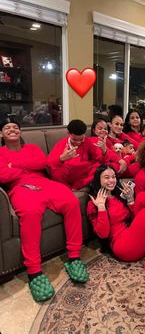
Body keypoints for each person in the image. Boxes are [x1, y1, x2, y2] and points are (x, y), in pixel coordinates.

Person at [0, 119, 88, 302]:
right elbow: (2, 175)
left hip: (45, 183)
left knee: (71, 201)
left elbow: (43, 162)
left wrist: (14, 166)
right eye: (7, 128)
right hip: (20, 188)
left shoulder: (32, 147)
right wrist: (24, 167)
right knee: (31, 213)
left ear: (21, 132)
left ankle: (74, 257)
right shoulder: (0, 153)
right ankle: (34, 271)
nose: (12, 129)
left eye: (16, 127)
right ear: (1, 134)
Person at [87, 164, 145, 278]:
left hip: (134, 237)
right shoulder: (93, 203)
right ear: (98, 180)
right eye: (106, 177)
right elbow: (103, 233)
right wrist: (101, 207)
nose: (111, 180)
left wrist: (130, 200)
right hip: (123, 246)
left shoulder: (118, 195)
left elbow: (135, 218)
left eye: (113, 177)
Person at [47, 119, 108, 190]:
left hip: (82, 174)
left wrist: (104, 151)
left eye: (81, 139)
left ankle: (77, 186)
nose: (78, 142)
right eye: (75, 140)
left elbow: (99, 160)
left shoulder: (88, 141)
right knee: (57, 172)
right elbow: (48, 163)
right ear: (68, 133)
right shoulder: (62, 143)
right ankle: (66, 189)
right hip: (68, 173)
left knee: (99, 168)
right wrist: (61, 158)